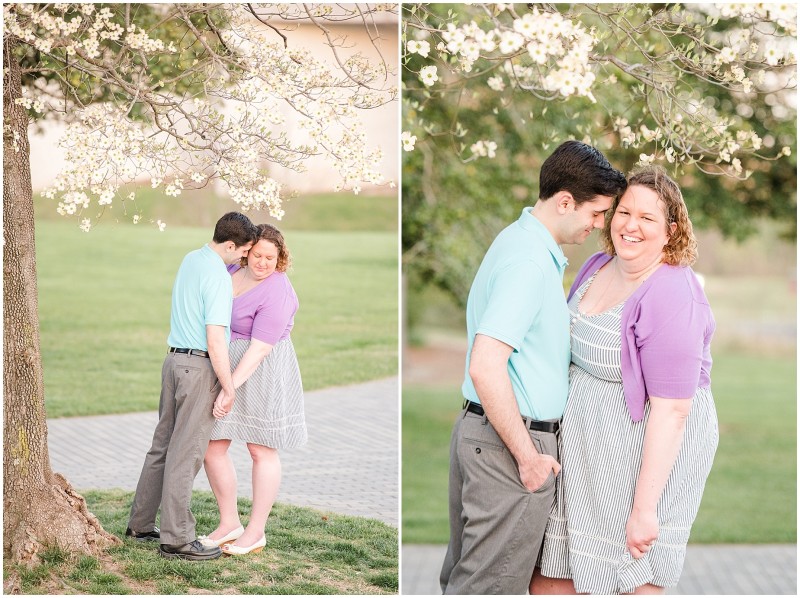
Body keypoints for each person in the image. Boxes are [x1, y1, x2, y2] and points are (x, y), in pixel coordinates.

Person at [439, 141, 627, 594]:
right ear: (566, 202)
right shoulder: (527, 262)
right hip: (510, 444)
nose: (599, 225)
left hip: (488, 434)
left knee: (470, 579)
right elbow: (487, 366)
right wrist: (527, 459)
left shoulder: (520, 241)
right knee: (490, 586)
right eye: (597, 213)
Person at [532, 166, 718, 594]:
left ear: (671, 230)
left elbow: (672, 411)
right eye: (624, 212)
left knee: (628, 576)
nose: (631, 226)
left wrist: (644, 508)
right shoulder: (598, 266)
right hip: (583, 454)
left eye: (648, 218)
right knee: (549, 579)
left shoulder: (673, 293)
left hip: (642, 459)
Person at [126, 212, 258, 561]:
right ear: (230, 245)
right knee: (186, 454)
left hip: (172, 362)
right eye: (243, 251)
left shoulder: (191, 258)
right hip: (198, 367)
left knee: (162, 446)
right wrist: (228, 388)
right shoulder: (217, 276)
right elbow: (216, 340)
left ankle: (139, 524)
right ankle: (177, 539)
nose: (243, 258)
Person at [201, 223, 308, 556]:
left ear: (280, 259)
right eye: (258, 255)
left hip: (261, 370)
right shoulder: (231, 268)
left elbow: (261, 349)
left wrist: (229, 387)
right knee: (212, 445)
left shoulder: (279, 291)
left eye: (271, 258)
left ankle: (255, 530)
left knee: (260, 450)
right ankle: (229, 522)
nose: (263, 263)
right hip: (225, 366)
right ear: (246, 253)